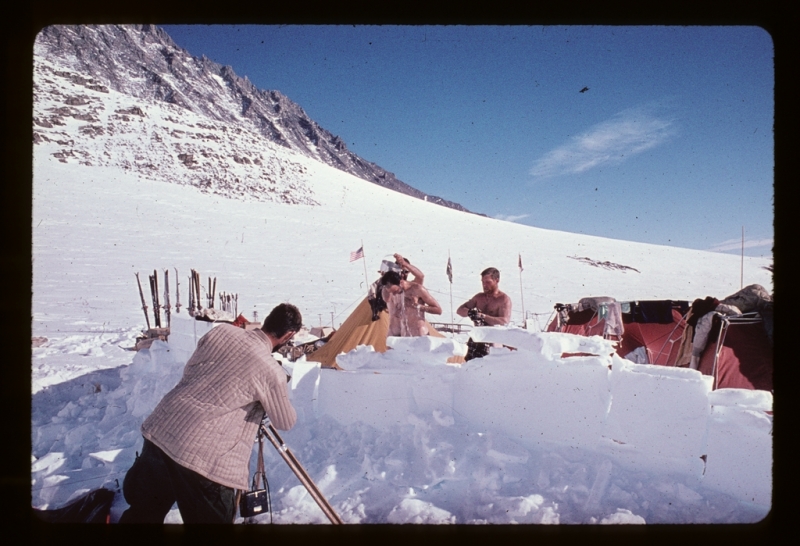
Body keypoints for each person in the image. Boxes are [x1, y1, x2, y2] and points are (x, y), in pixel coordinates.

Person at [119, 303, 302, 524]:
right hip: (203, 458)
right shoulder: (271, 371)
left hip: (162, 430)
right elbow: (285, 421)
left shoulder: (222, 331)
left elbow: (195, 368)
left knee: (143, 515)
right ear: (289, 334)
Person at [456, 267, 512, 360]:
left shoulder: (503, 299)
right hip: (477, 338)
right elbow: (460, 310)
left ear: (496, 280)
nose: (484, 285)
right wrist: (470, 312)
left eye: (488, 282)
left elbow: (504, 321)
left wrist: (483, 316)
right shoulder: (479, 297)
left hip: (493, 339)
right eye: (483, 282)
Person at [381, 270, 442, 337]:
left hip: (419, 333)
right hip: (403, 334)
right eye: (392, 292)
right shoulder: (391, 292)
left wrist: (418, 306)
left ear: (401, 282)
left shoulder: (417, 289)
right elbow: (386, 299)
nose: (394, 294)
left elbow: (438, 310)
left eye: (396, 291)